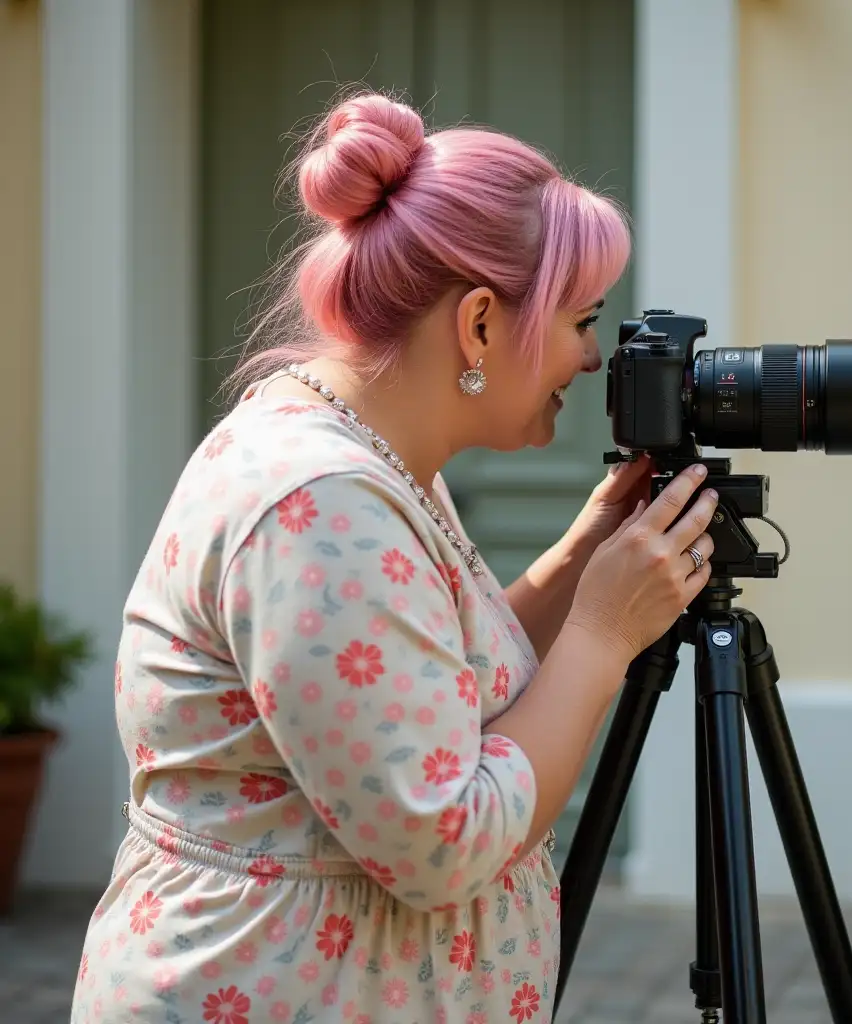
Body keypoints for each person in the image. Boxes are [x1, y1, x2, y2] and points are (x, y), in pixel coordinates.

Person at [69, 91, 718, 1024]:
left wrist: (585, 556)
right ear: (481, 325)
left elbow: (442, 692)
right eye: (580, 319)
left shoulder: (369, 459)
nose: (589, 359)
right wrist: (606, 634)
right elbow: (443, 837)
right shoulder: (317, 502)